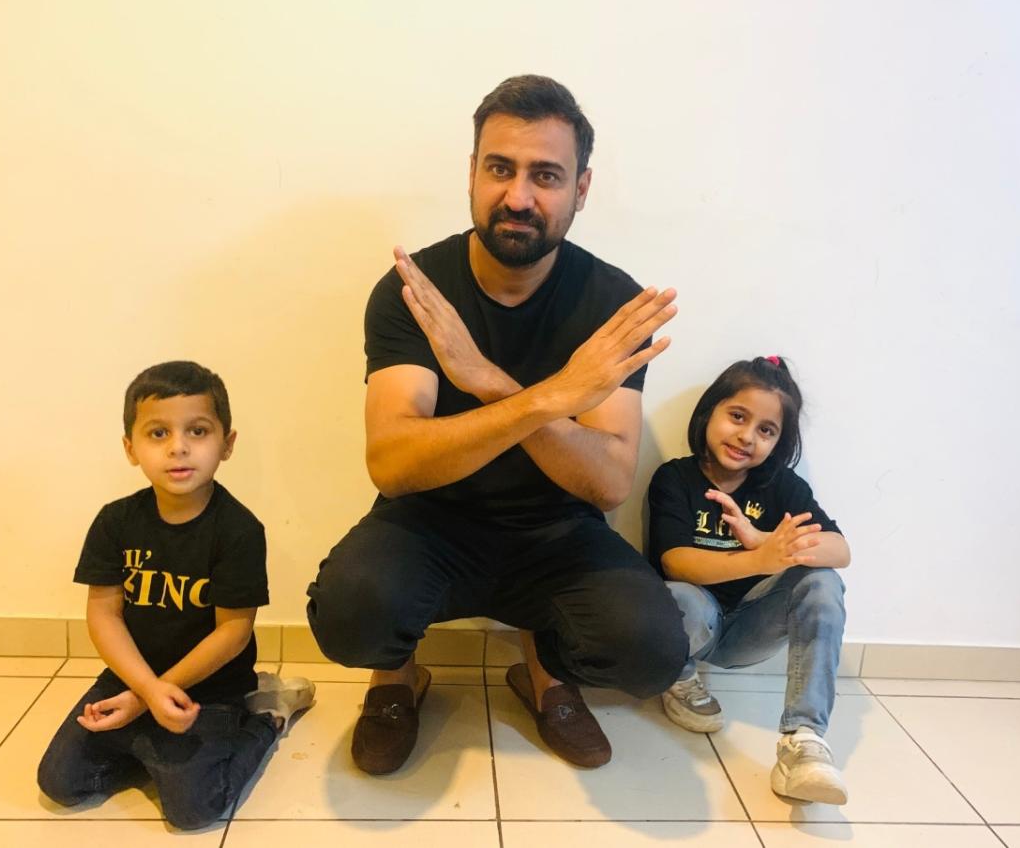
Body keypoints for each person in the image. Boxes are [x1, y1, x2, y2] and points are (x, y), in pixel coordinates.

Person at [306, 74, 688, 775]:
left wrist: (486, 381)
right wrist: (549, 397)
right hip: (429, 523)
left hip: (558, 536)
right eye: (500, 169)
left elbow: (606, 482)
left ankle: (543, 671)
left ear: (582, 188)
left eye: (546, 175)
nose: (518, 196)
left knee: (651, 651)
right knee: (350, 614)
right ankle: (397, 679)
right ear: (473, 173)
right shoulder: (416, 290)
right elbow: (393, 463)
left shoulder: (613, 304)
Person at [37, 361, 313, 830]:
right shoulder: (114, 521)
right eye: (158, 433)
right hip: (132, 679)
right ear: (131, 449)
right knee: (59, 782)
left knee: (193, 812)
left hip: (211, 690)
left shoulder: (238, 530)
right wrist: (144, 691)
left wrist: (152, 698)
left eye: (198, 431)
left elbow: (233, 630)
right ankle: (155, 752)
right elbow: (104, 615)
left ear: (226, 445)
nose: (178, 447)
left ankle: (267, 717)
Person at [647, 356, 851, 805]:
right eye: (737, 416)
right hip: (690, 626)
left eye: (766, 430)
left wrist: (761, 538)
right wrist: (760, 557)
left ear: (778, 443)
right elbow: (677, 562)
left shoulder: (783, 488)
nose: (747, 437)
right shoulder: (674, 478)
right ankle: (680, 679)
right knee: (678, 595)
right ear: (709, 413)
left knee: (822, 581)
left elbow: (840, 550)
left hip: (747, 631)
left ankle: (803, 740)